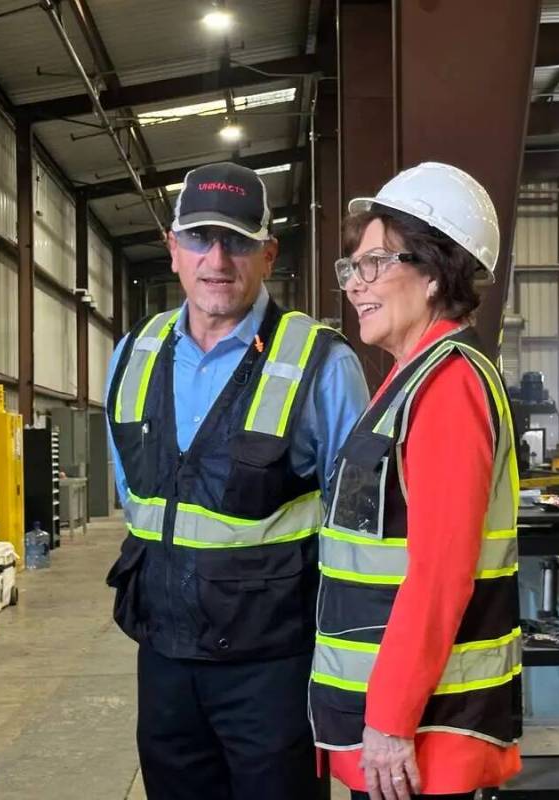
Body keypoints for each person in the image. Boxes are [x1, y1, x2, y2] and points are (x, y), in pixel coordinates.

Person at [103, 162, 369, 800]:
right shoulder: (132, 354)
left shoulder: (322, 365)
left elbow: (361, 534)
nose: (217, 259)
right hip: (164, 662)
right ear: (173, 250)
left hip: (273, 670)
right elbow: (137, 499)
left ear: (268, 253)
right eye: (199, 237)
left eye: (239, 241)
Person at [309, 162, 522, 800]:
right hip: (405, 727)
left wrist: (390, 718)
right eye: (353, 267)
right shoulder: (411, 380)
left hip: (425, 733)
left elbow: (439, 574)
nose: (355, 284)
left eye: (375, 264)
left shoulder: (448, 386)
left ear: (432, 272)